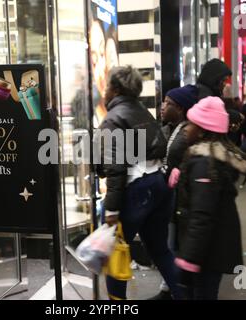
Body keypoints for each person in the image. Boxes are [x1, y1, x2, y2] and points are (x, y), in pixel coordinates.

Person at [96, 66, 179, 300]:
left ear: (116, 88)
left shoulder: (113, 119)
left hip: (135, 190)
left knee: (115, 254)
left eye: (108, 84)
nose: (105, 89)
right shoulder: (143, 112)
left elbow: (115, 170)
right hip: (158, 186)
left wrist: (111, 209)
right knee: (159, 249)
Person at [175, 96, 246, 300]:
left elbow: (202, 214)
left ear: (202, 130)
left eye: (190, 124)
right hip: (209, 247)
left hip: (207, 251)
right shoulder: (209, 159)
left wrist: (188, 259)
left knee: (203, 294)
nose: (185, 128)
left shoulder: (204, 164)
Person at [150, 85, 199, 300]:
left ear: (180, 108)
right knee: (169, 243)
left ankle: (177, 289)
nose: (162, 107)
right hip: (169, 196)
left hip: (181, 198)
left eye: (168, 103)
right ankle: (169, 288)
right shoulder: (169, 128)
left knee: (175, 244)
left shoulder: (187, 131)